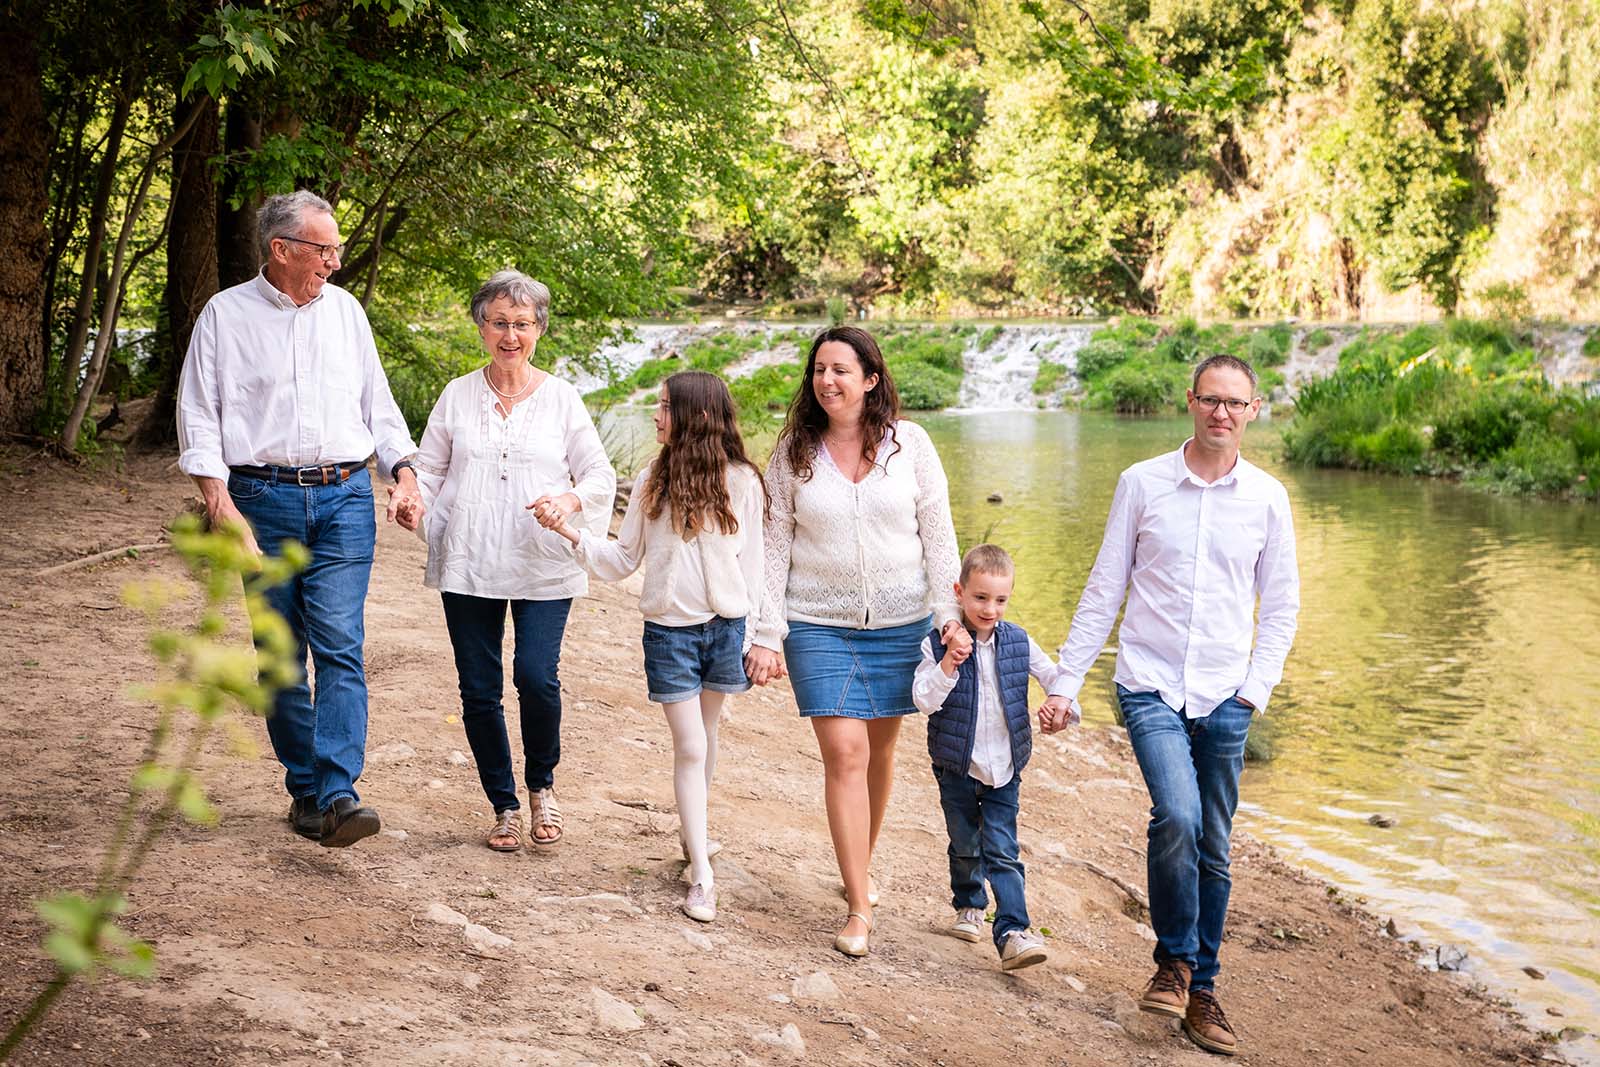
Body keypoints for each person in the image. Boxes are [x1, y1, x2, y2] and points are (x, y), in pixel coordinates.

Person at [1040, 354, 1299, 1056]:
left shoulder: (1268, 499)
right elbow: (1103, 588)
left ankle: (1202, 991)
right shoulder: (1142, 484)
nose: (1222, 412)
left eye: (1235, 402)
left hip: (1227, 693)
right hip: (1149, 681)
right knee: (1177, 814)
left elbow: (1280, 609)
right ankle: (1175, 960)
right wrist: (1065, 681)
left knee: (1214, 844)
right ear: (1190, 401)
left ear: (1254, 409)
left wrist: (1255, 690)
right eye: (1210, 399)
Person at [177, 190, 421, 848]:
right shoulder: (225, 317)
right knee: (282, 657)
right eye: (324, 249)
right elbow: (198, 416)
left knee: (340, 644)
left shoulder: (346, 314)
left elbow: (380, 406)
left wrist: (402, 472)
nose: (335, 262)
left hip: (344, 496)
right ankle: (306, 789)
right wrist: (218, 502)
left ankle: (340, 791)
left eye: (337, 249)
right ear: (281, 250)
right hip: (261, 500)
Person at [745, 326, 969, 958]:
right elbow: (774, 547)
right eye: (819, 370)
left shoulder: (912, 445)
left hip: (902, 625)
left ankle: (857, 869)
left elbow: (939, 536)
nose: (827, 381)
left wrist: (949, 615)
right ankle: (858, 905)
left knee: (879, 751)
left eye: (841, 370)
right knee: (844, 752)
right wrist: (766, 631)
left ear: (871, 379)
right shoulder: (794, 450)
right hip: (815, 623)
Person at [401, 270, 615, 852]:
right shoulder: (457, 394)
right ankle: (503, 804)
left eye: (522, 324)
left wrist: (570, 499)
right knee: (478, 689)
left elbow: (599, 473)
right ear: (481, 326)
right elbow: (430, 467)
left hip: (543, 560)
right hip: (469, 558)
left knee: (536, 677)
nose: (510, 335)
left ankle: (542, 785)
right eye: (499, 322)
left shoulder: (562, 398)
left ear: (539, 329)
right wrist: (411, 494)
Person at [539, 370, 764, 922]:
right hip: (669, 634)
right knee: (689, 745)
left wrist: (762, 638)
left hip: (726, 628)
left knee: (707, 739)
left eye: (665, 406)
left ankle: (695, 838)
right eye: (657, 404)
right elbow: (622, 560)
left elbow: (756, 569)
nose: (656, 415)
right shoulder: (650, 481)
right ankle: (702, 877)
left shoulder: (742, 482)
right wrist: (572, 535)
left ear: (700, 417)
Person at [913, 543, 1072, 972]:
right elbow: (923, 699)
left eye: (1000, 599)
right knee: (965, 843)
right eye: (981, 598)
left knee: (1002, 848)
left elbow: (1055, 676)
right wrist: (949, 663)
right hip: (957, 765)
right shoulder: (936, 644)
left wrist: (1062, 703)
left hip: (1005, 766)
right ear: (959, 593)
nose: (990, 608)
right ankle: (969, 904)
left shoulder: (1018, 642)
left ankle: (1013, 931)